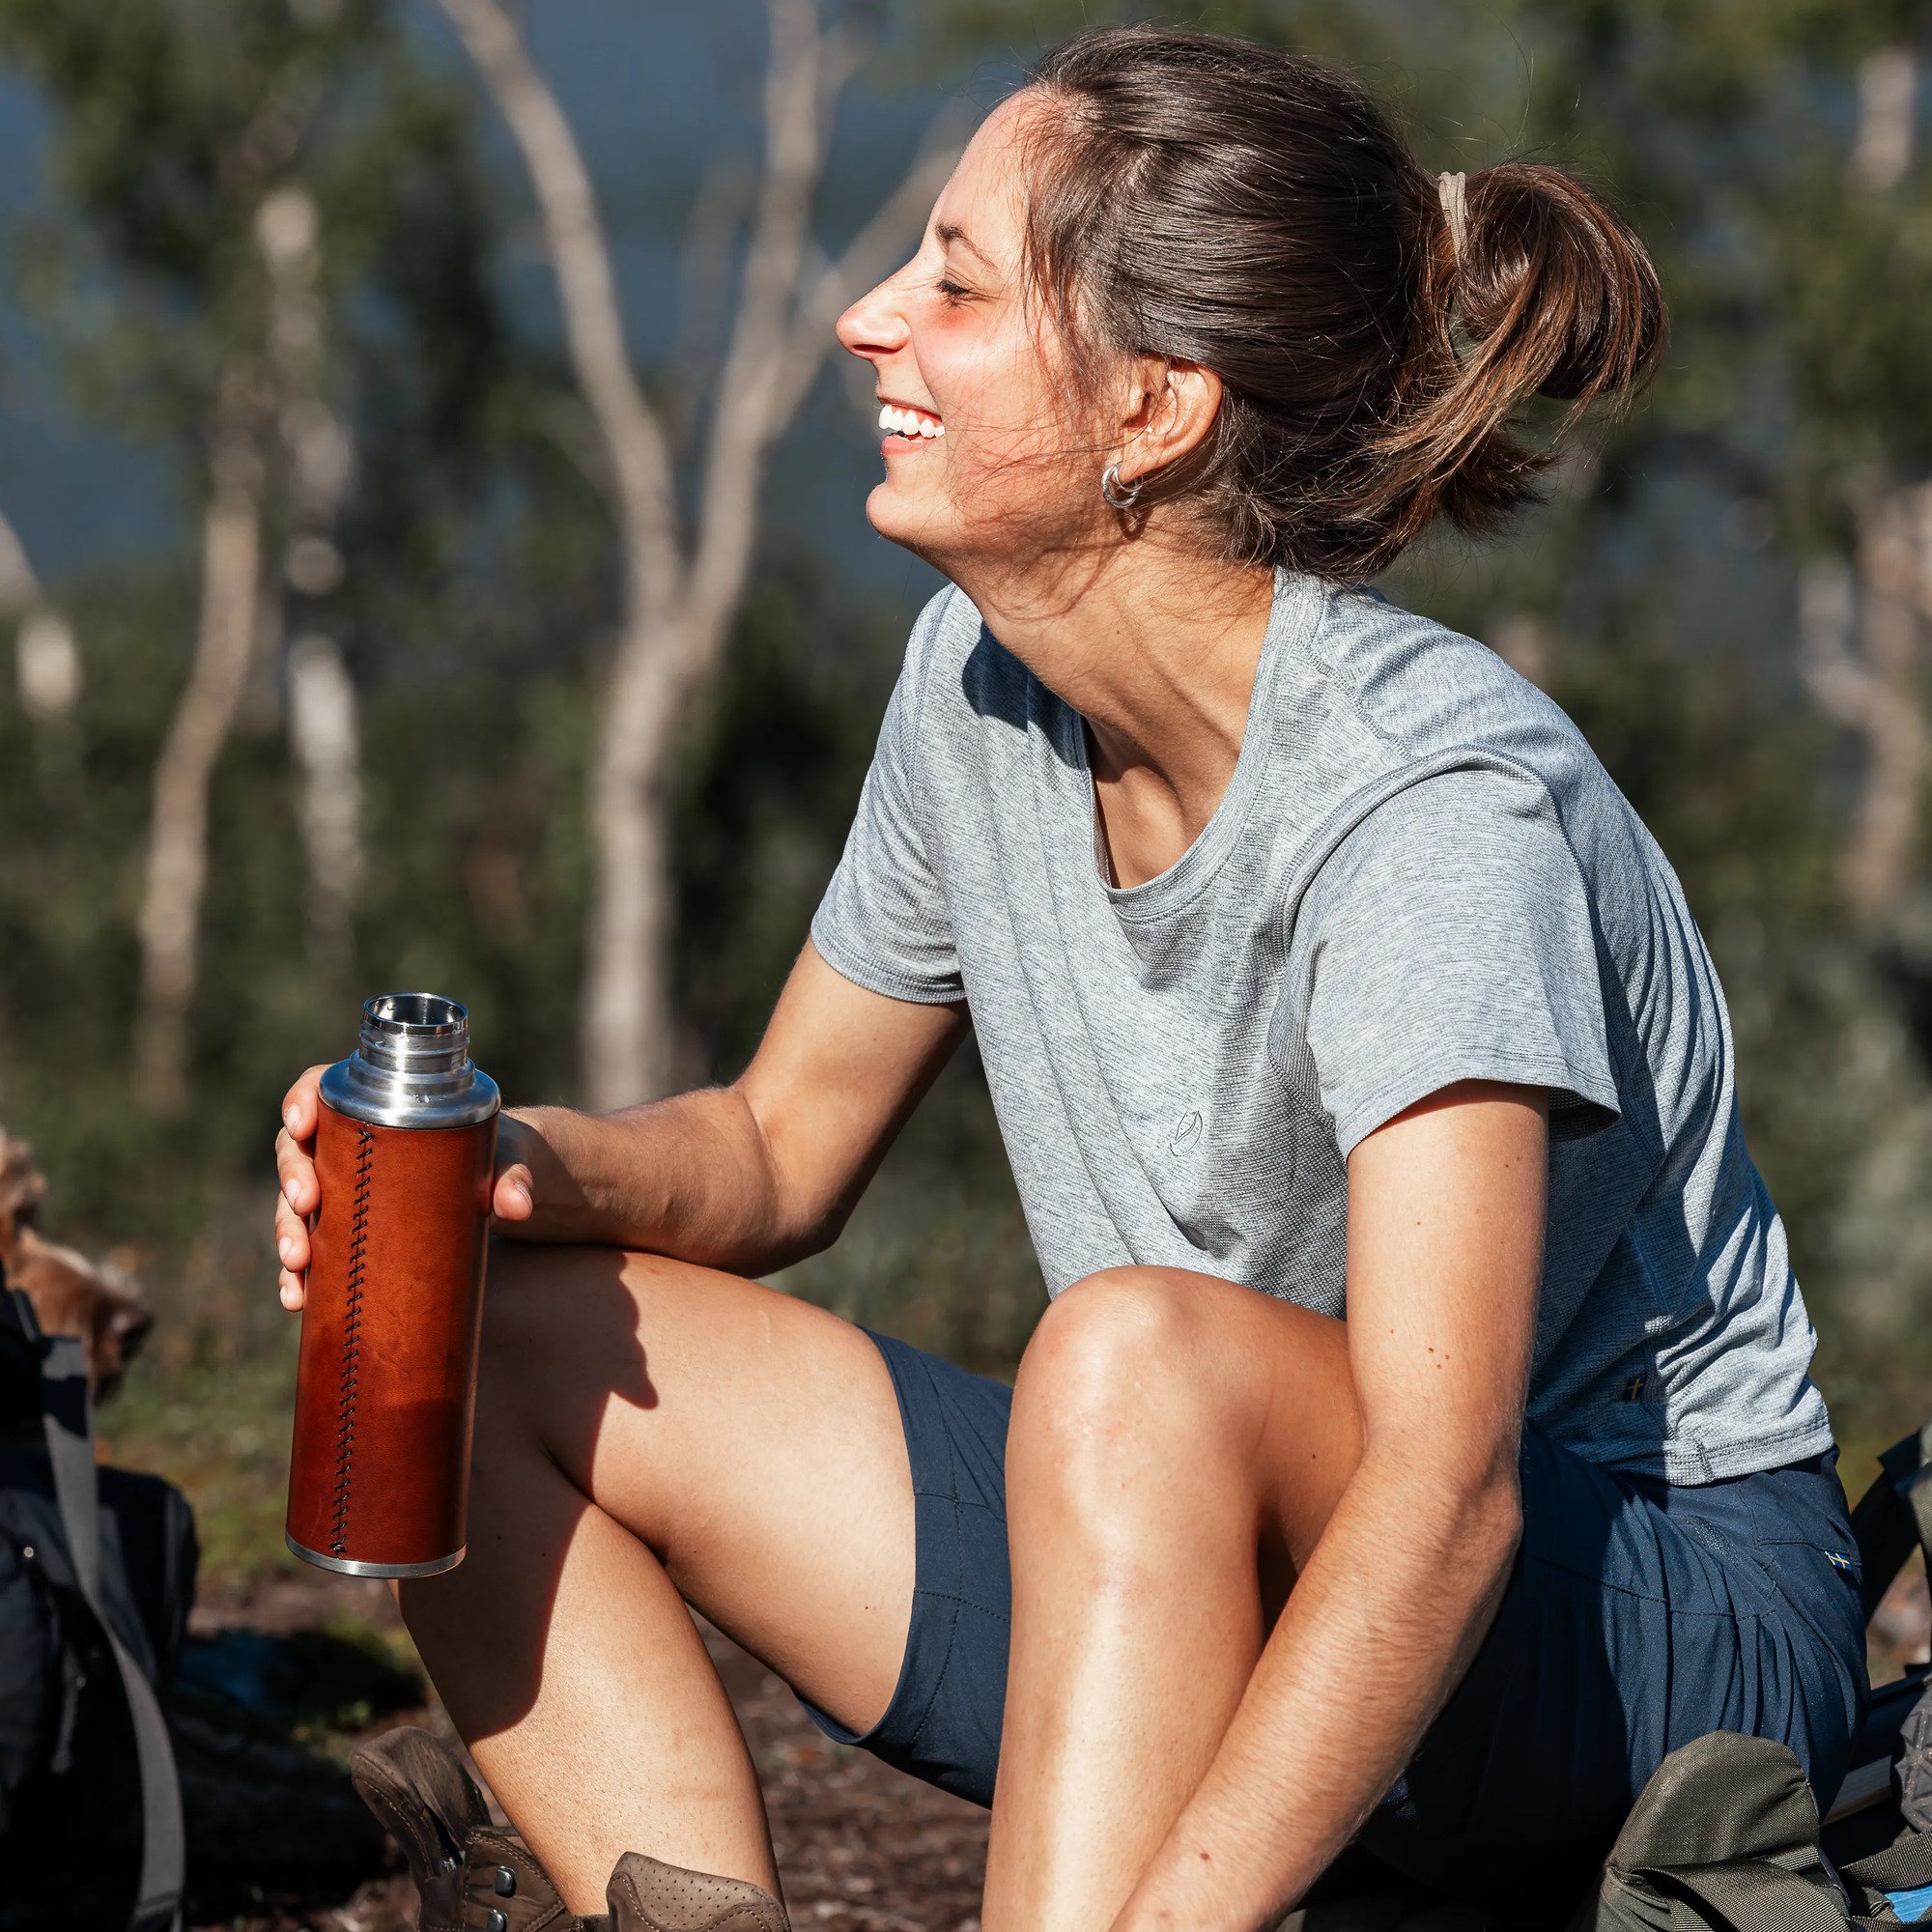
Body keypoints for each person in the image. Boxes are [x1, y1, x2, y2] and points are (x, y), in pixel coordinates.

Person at [272, 25, 1866, 1932]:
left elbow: (1446, 1500)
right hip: (1187, 1499)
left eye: (954, 285)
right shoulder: (975, 689)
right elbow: (776, 1150)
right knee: (480, 1336)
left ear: (1153, 409)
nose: (869, 319)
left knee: (1130, 1358)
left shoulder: (1428, 815)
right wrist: (504, 1169)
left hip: (1661, 1628)